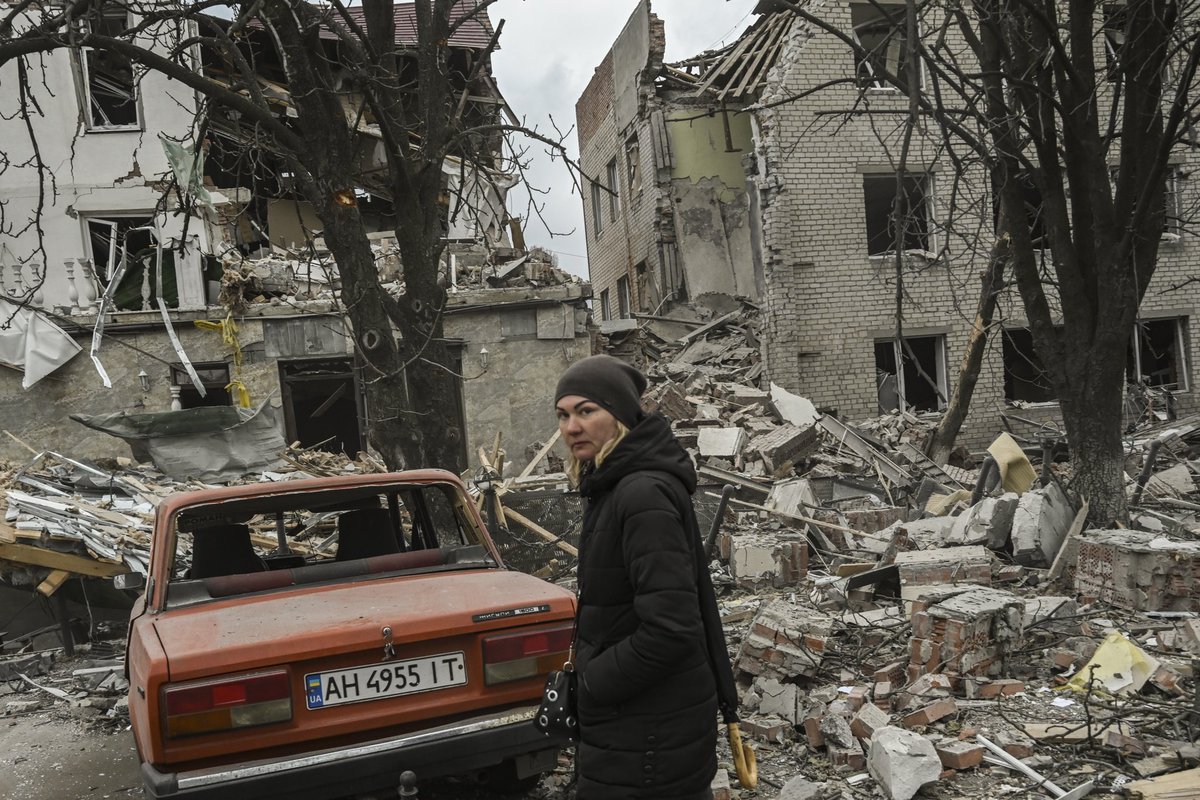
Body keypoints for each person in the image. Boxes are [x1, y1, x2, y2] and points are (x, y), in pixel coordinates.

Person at [554, 354, 717, 800]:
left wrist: (591, 682)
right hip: (638, 726)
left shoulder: (640, 493)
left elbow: (672, 628)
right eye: (564, 415)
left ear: (621, 415)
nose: (571, 428)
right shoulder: (612, 486)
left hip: (650, 735)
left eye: (587, 411)